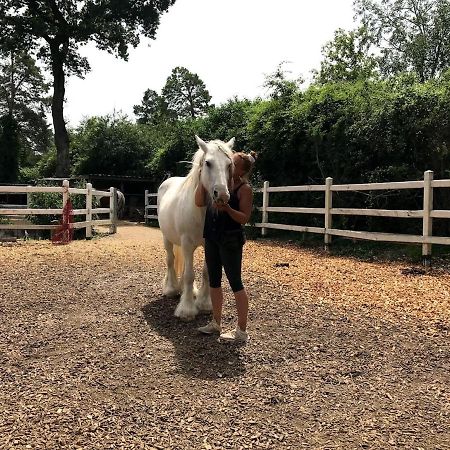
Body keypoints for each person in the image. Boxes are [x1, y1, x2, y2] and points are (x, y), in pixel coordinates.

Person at [195, 150, 257, 343]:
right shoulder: (218, 183)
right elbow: (198, 202)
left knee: (236, 283)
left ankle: (242, 331)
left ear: (241, 170)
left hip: (230, 239)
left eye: (233, 163)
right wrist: (201, 178)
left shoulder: (244, 189)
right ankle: (216, 322)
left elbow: (244, 218)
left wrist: (228, 209)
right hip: (212, 236)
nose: (228, 165)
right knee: (214, 281)